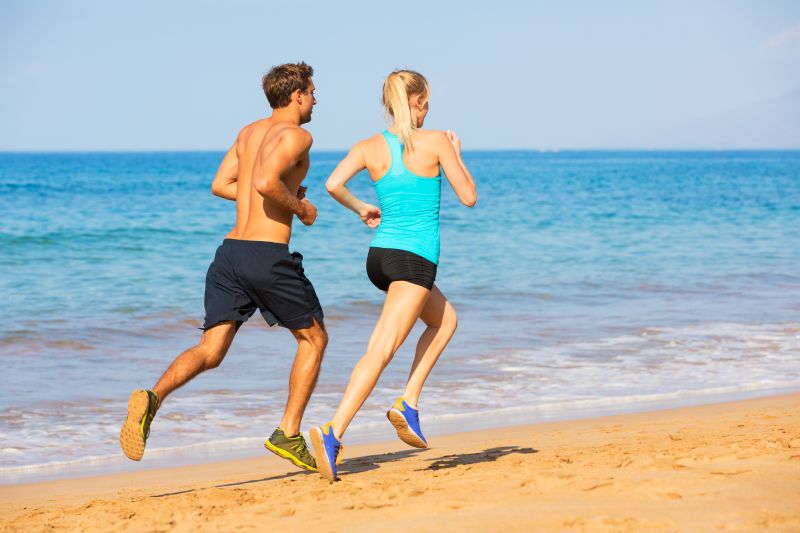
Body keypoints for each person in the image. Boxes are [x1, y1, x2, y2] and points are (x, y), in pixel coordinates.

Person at [119, 62, 327, 472]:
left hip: (230, 254)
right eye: (313, 92)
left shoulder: (247, 132)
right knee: (314, 339)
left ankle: (152, 398)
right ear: (297, 94)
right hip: (267, 255)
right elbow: (266, 183)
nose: (316, 99)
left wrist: (281, 191)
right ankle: (288, 432)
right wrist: (300, 207)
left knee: (211, 350)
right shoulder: (299, 136)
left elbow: (223, 185)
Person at [310, 69, 477, 482]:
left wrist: (362, 207)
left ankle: (409, 402)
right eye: (427, 104)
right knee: (380, 350)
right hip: (413, 261)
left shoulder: (369, 146)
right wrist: (457, 151)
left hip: (381, 258)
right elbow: (469, 197)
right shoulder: (436, 141)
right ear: (418, 102)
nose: (427, 111)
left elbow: (333, 184)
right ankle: (333, 433)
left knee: (446, 320)